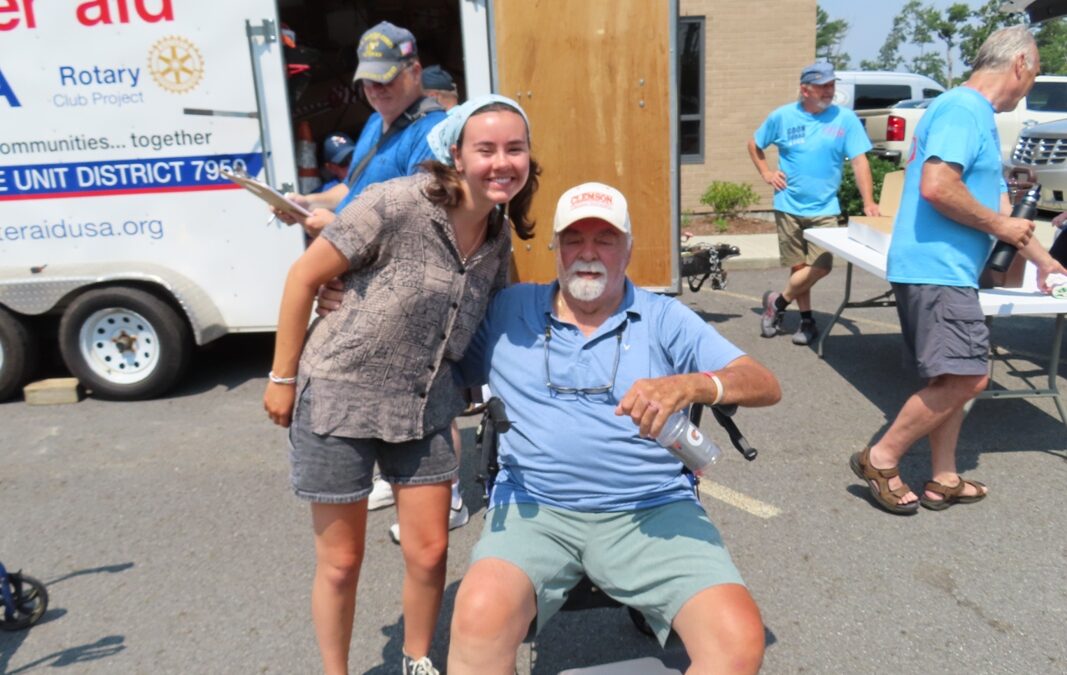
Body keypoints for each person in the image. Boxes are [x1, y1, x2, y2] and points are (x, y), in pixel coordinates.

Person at [446, 183, 781, 674]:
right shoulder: (509, 311)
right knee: (476, 623)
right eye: (573, 238)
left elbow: (763, 382)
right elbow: (438, 362)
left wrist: (691, 385)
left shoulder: (662, 316)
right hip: (534, 508)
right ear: (554, 249)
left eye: (605, 239)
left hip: (652, 508)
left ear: (627, 248)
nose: (588, 253)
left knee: (738, 641)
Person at [264, 94, 539, 675]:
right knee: (341, 561)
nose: (501, 162)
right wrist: (281, 378)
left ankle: (417, 659)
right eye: (485, 149)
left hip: (426, 403)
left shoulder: (498, 235)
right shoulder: (393, 204)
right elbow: (303, 278)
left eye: (515, 149)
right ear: (456, 155)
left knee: (431, 549)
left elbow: (498, 316)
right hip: (340, 392)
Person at [850, 25, 1067, 515]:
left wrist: (1046, 261)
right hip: (938, 270)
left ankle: (944, 477)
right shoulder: (963, 109)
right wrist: (1001, 225)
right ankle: (880, 458)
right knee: (968, 379)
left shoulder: (974, 115)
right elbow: (937, 187)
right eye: (1034, 76)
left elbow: (1002, 216)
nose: (1030, 88)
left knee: (951, 376)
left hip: (945, 270)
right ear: (1021, 65)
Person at [272, 21, 447, 238]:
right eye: (368, 81)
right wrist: (307, 202)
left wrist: (339, 229)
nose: (375, 90)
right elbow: (351, 188)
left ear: (415, 72)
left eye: (385, 79)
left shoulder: (433, 132)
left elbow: (419, 225)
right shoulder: (375, 120)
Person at [748, 61, 880, 346]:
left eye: (832, 85)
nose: (829, 91)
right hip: (788, 205)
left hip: (825, 209)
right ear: (804, 89)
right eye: (822, 86)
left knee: (821, 266)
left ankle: (778, 302)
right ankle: (806, 320)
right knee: (799, 269)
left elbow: (860, 161)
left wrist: (868, 201)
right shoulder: (782, 117)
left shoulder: (845, 120)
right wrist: (767, 173)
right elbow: (755, 144)